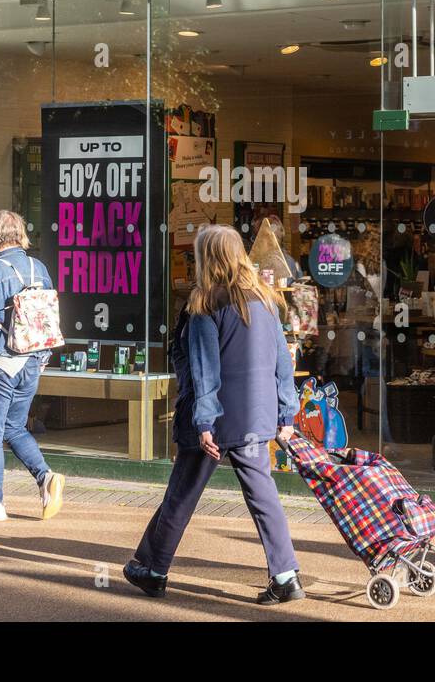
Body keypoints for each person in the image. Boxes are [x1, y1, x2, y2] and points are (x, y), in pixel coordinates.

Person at [124, 224, 304, 605]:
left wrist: (204, 422)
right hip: (256, 417)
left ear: (208, 258)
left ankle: (154, 571)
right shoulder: (266, 299)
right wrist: (287, 414)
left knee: (181, 495)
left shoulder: (205, 303)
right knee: (263, 495)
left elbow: (206, 370)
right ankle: (286, 576)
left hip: (214, 417)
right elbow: (282, 363)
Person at [0, 209, 65, 521]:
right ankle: (45, 476)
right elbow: (49, 317)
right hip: (33, 361)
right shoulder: (40, 268)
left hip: (0, 363)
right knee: (14, 427)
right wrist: (44, 358)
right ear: (21, 234)